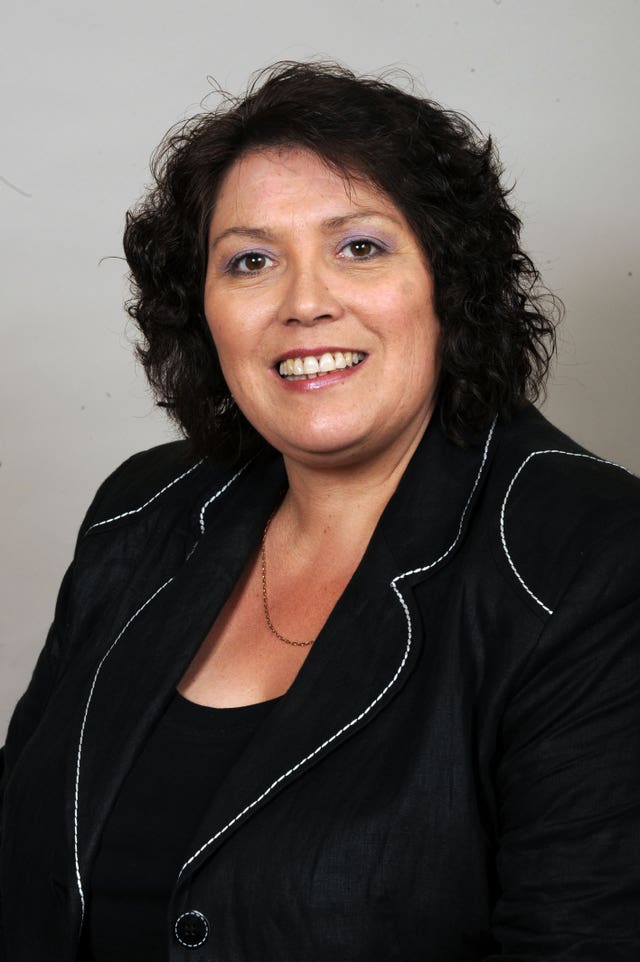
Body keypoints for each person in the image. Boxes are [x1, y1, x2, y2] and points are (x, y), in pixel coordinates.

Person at [1, 61, 639, 962]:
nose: (305, 303)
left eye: (360, 247)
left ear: (448, 284)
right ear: (204, 311)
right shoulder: (140, 511)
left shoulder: (593, 557)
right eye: (251, 261)